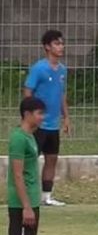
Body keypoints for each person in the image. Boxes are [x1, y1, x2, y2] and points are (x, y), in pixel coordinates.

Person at [2, 97, 46, 235]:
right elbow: (17, 174)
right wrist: (26, 206)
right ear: (27, 114)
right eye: (39, 113)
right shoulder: (18, 138)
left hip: (32, 199)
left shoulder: (31, 136)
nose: (42, 117)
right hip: (21, 202)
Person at [23, 30, 70, 206]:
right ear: (47, 47)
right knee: (31, 159)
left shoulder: (62, 70)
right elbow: (28, 91)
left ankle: (46, 196)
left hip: (53, 124)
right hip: (38, 124)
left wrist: (66, 117)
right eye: (57, 44)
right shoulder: (39, 69)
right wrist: (28, 116)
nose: (61, 47)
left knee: (52, 159)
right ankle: (27, 195)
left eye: (62, 43)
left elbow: (61, 94)